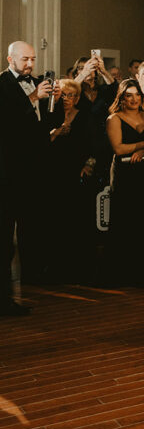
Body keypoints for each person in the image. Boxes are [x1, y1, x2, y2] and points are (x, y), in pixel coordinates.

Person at [0, 42, 59, 309]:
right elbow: (7, 121)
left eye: (33, 59)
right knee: (5, 233)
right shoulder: (1, 84)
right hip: (9, 170)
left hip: (36, 168)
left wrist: (54, 100)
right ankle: (4, 296)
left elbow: (48, 123)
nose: (30, 64)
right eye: (25, 59)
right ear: (10, 58)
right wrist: (33, 97)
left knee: (34, 225)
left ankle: (35, 279)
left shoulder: (36, 83)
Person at [104, 79, 144, 289]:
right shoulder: (114, 119)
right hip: (125, 174)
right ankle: (122, 274)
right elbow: (118, 149)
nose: (134, 99)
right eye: (129, 95)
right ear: (122, 98)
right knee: (125, 219)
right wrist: (143, 144)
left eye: (137, 94)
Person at [47, 79, 94, 281]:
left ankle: (79, 268)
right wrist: (55, 134)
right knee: (56, 220)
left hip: (78, 173)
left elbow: (93, 144)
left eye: (72, 95)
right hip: (54, 175)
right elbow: (39, 145)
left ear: (77, 98)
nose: (67, 99)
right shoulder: (50, 116)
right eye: (64, 95)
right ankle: (57, 268)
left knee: (78, 219)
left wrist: (89, 165)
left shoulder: (85, 117)